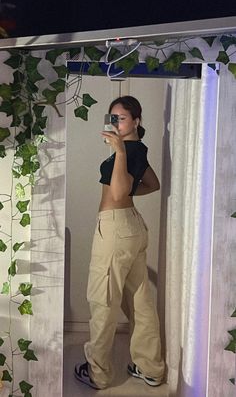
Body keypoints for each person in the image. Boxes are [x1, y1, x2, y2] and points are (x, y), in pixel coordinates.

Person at [74, 95, 165, 389]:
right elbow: (151, 184)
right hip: (132, 226)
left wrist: (119, 151)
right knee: (140, 301)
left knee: (103, 301)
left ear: (136, 121)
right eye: (112, 117)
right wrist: (122, 154)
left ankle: (99, 374)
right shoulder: (138, 148)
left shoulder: (128, 149)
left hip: (115, 230)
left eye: (121, 118)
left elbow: (116, 193)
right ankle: (151, 368)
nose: (115, 123)